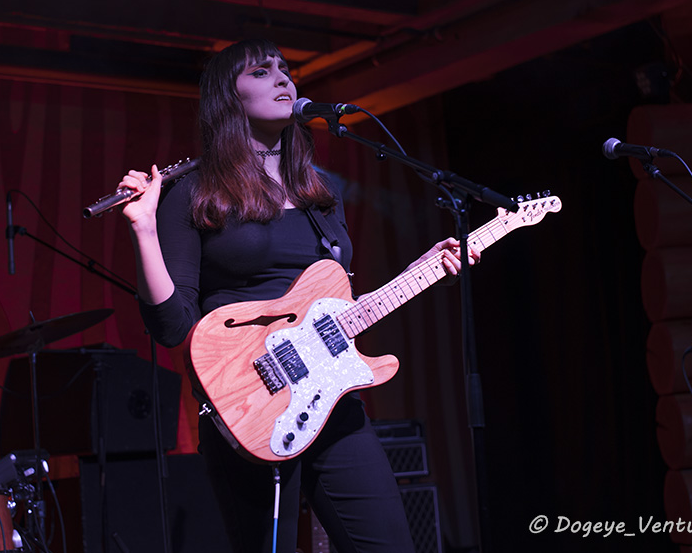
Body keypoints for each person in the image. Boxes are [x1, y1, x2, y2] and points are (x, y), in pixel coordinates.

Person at [120, 39, 479, 553]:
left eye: (286, 70)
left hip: (331, 402)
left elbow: (333, 310)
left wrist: (421, 272)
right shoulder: (193, 190)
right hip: (249, 402)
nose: (284, 79)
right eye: (263, 71)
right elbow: (173, 325)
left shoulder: (318, 193)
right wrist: (144, 231)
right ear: (229, 94)